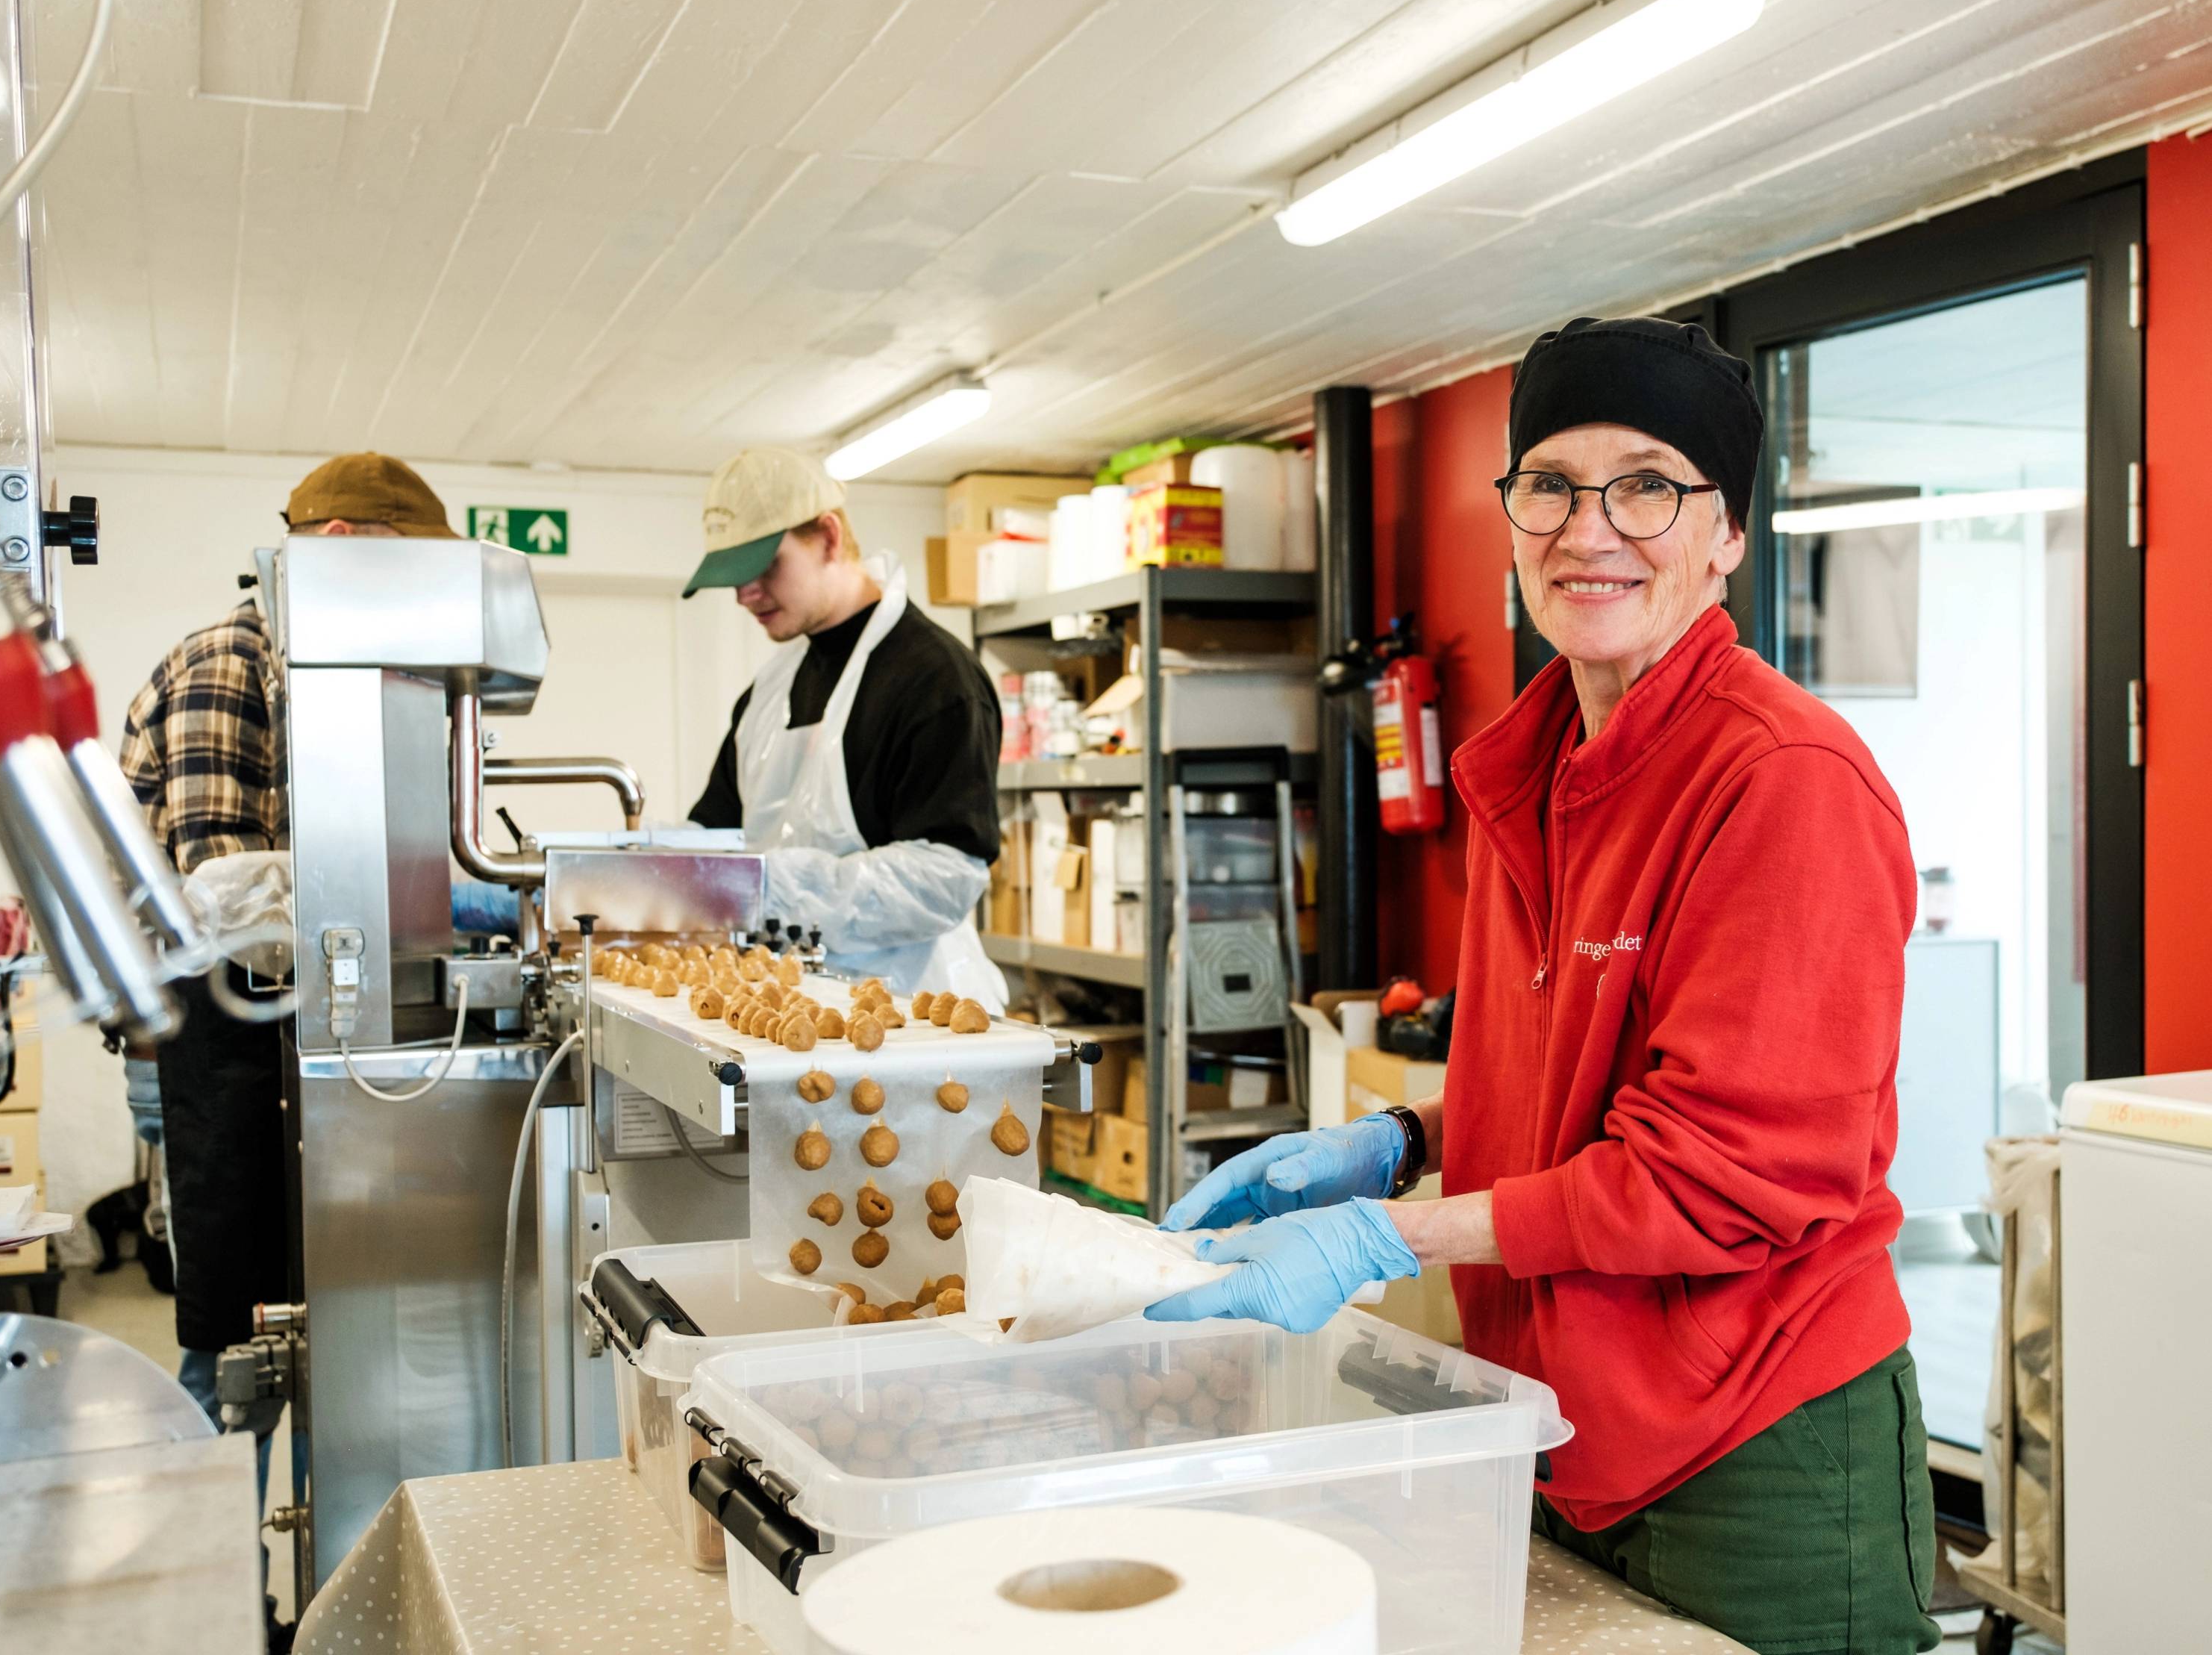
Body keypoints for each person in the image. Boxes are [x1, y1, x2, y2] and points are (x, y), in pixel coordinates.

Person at [1149, 318, 1939, 1655]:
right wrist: (1397, 1145)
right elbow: (1580, 1090)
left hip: (1759, 1442)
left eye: (1647, 485)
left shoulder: (1781, 784)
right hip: (1552, 1416)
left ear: (1727, 534)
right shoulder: (1537, 771)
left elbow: (1721, 1174)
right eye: (1551, 484)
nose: (1590, 529)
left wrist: (1390, 1238)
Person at [119, 451, 458, 1645]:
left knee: (298, 1325)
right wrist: (425, 895)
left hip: (281, 1043)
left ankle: (291, 1591)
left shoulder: (311, 670)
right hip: (219, 1047)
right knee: (234, 1345)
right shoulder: (227, 662)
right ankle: (187, 1603)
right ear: (345, 540)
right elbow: (218, 892)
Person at [683, 446, 1006, 1007]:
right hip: (789, 1011)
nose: (743, 594)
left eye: (762, 567)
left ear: (828, 538)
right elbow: (717, 836)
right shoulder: (767, 693)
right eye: (732, 577)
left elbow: (944, 879)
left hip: (914, 1020)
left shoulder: (935, 679)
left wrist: (769, 886)